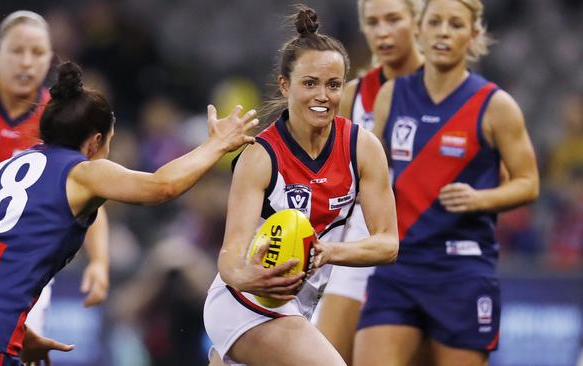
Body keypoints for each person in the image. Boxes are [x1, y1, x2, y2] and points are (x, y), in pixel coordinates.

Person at [0, 61, 257, 365]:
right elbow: (163, 186)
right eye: (110, 143)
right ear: (96, 142)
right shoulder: (83, 171)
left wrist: (22, 332)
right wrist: (216, 145)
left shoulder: (5, 167)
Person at [203, 6, 398, 366]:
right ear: (284, 85)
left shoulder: (362, 147)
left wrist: (327, 252)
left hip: (302, 303)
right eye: (310, 83)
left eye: (333, 85)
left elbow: (388, 243)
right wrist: (252, 276)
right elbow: (229, 258)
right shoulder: (260, 156)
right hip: (247, 302)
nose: (322, 96)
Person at [354, 0, 539, 365]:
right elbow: (370, 171)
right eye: (435, 22)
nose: (443, 32)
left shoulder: (496, 105)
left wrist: (480, 199)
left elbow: (528, 183)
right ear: (419, 30)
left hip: (463, 273)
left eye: (455, 25)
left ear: (473, 36)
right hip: (398, 267)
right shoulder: (393, 95)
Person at [0, 10, 109, 335]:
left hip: (20, 283)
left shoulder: (61, 121)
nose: (27, 62)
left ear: (49, 61)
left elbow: (91, 188)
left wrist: (99, 262)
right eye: (17, 51)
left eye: (38, 52)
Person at [315, 0, 424, 362]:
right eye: (373, 22)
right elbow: (331, 175)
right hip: (364, 240)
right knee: (322, 354)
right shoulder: (353, 94)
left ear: (417, 22)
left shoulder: (450, 91)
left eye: (394, 19)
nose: (383, 32)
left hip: (426, 248)